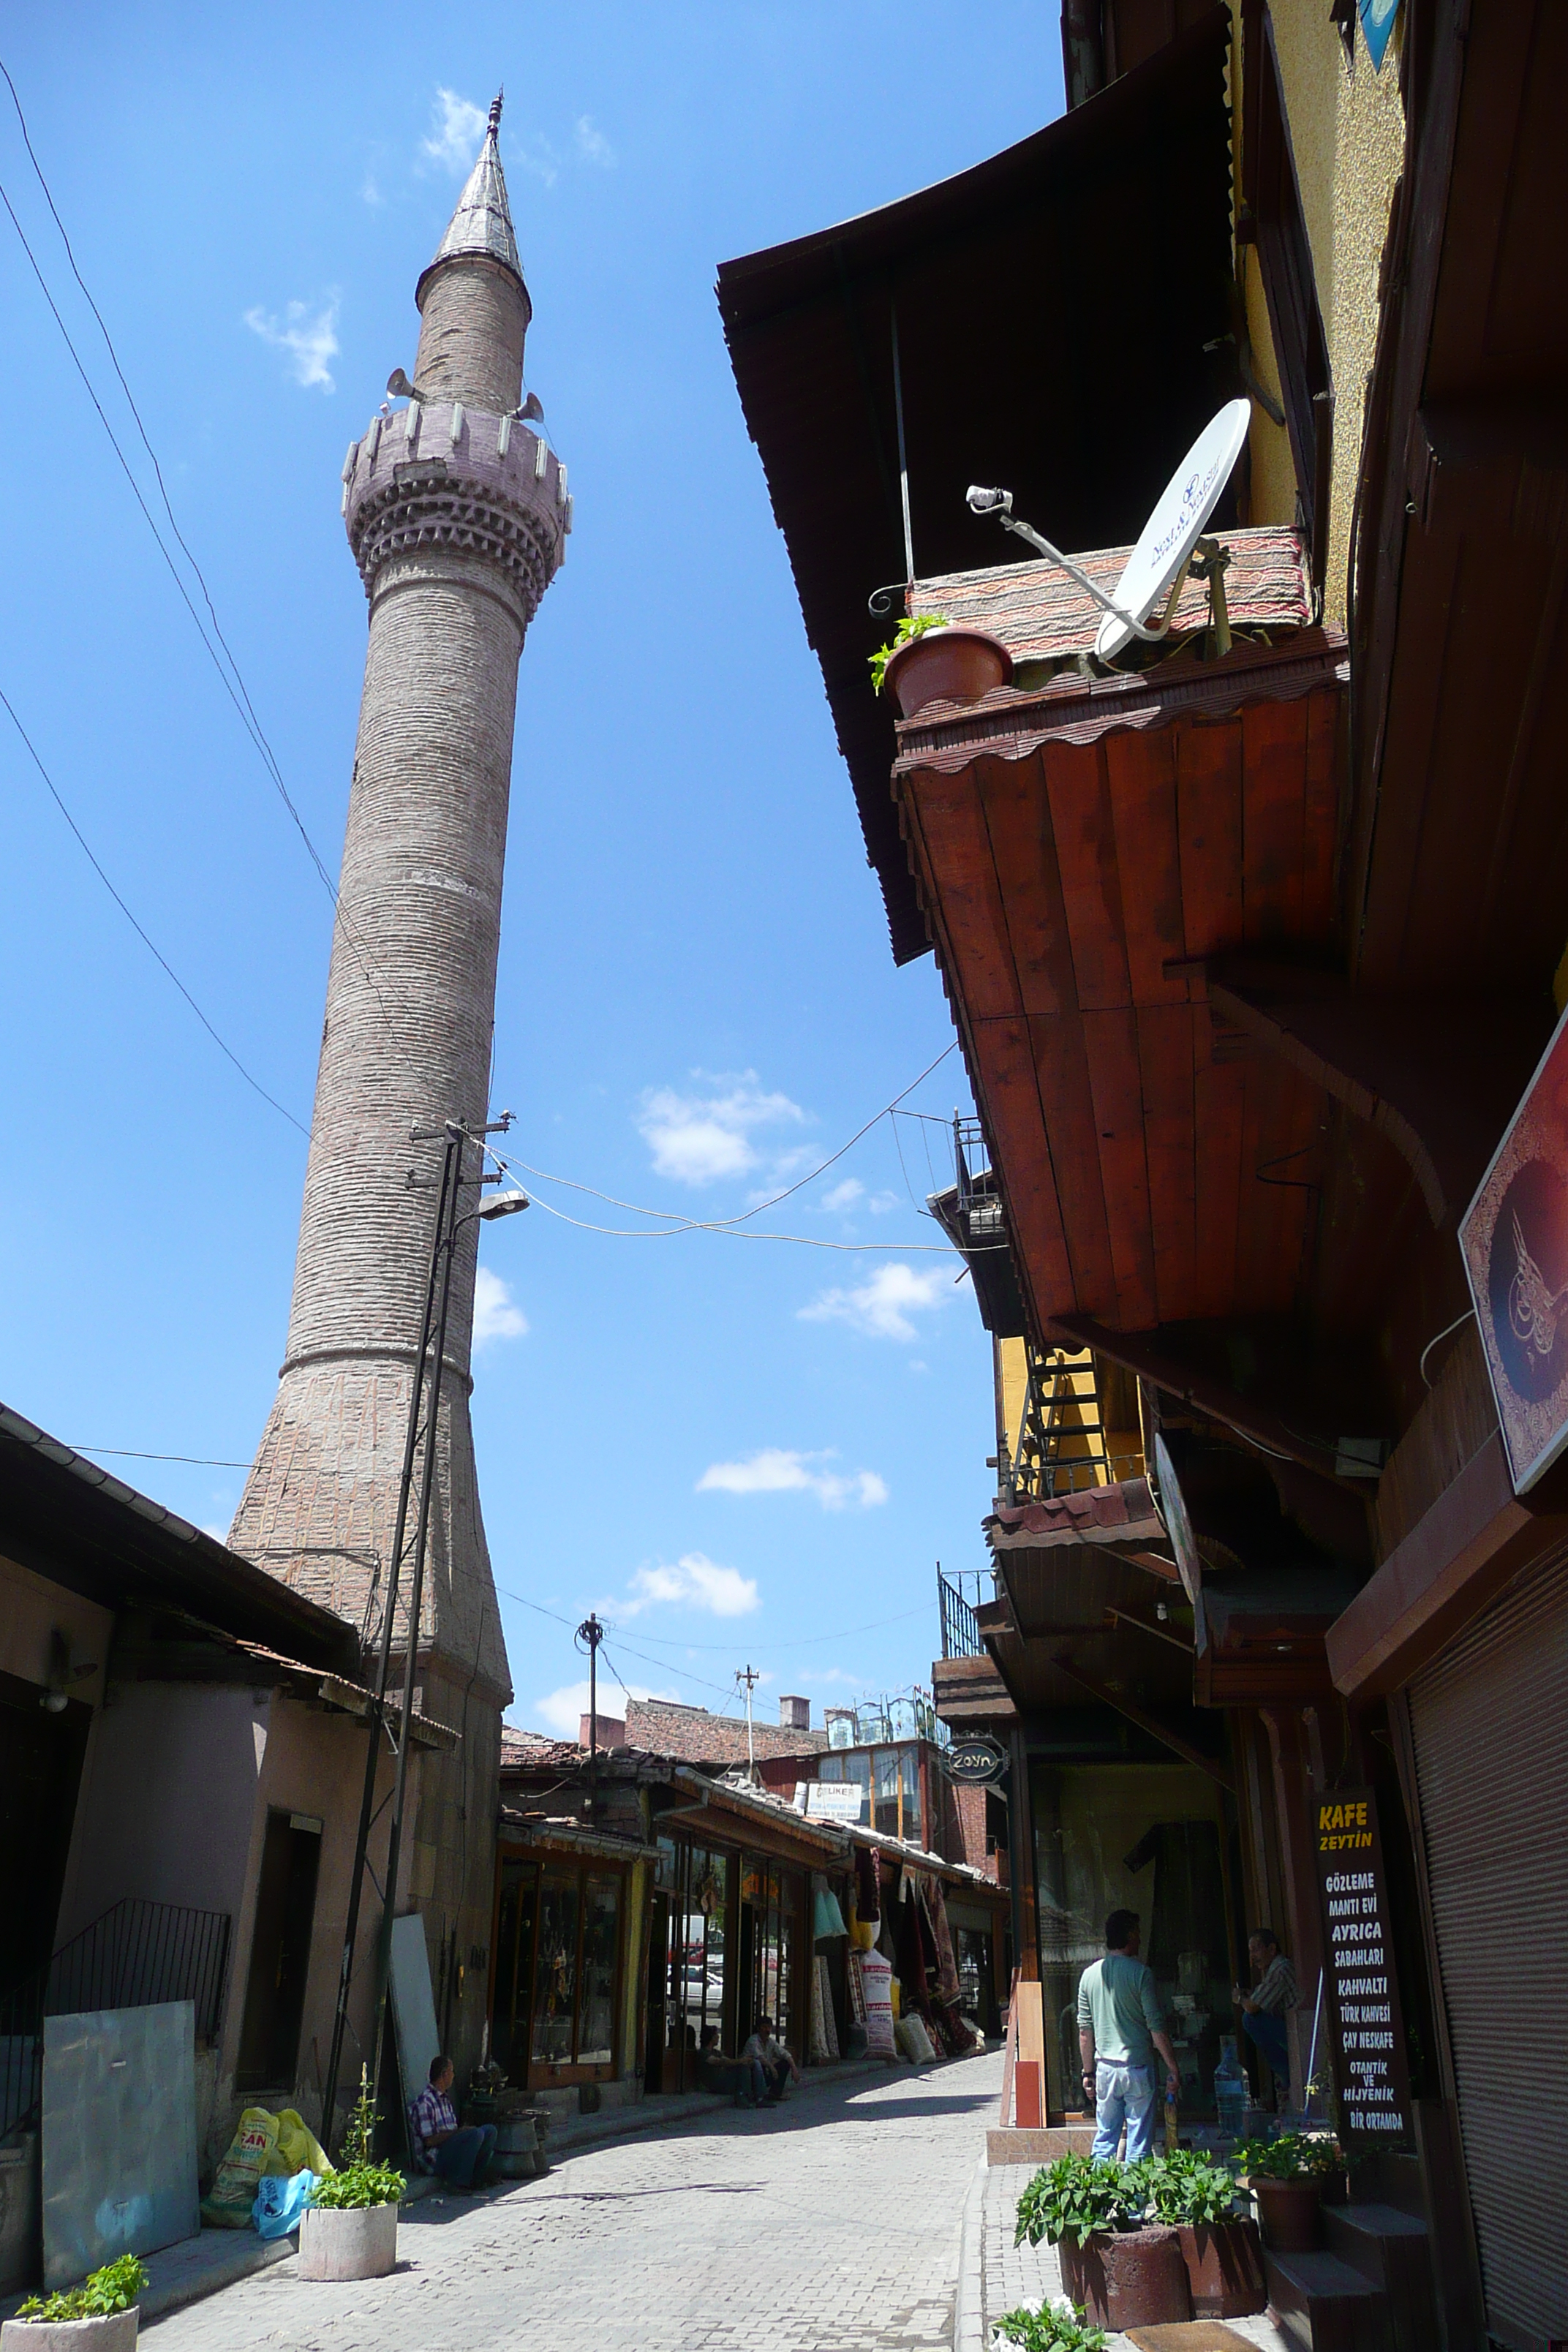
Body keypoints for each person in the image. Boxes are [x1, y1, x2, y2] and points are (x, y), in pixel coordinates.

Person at [1077, 1908, 1180, 2165]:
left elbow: (1084, 2032)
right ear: (1131, 1935)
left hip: (1105, 2070)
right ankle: (1133, 2205)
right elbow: (1156, 2028)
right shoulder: (1141, 1974)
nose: (1141, 1940)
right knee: (1138, 2145)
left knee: (1105, 2140)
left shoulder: (1089, 1976)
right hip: (1137, 2069)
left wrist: (1087, 2073)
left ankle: (1098, 2202)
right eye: (1139, 1933)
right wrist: (1173, 2068)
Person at [411, 2053, 497, 2191]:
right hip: (435, 2157)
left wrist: (461, 2132)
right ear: (444, 2075)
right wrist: (458, 2133)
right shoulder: (425, 2102)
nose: (453, 2075)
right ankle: (458, 2182)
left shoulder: (445, 2099)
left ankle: (477, 2179)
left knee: (489, 2131)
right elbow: (429, 2140)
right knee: (475, 2134)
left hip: (450, 2146)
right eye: (451, 2071)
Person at [1235, 1927, 1297, 2101]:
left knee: (1250, 2020)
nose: (1253, 1957)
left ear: (1271, 1949)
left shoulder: (1280, 1969)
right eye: (1250, 1952)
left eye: (1256, 1949)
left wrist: (1240, 1998)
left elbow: (1253, 2007)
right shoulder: (1274, 1971)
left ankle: (1286, 2073)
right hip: (1289, 2031)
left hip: (1297, 2036)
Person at [697, 2024, 768, 2107]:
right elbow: (721, 2062)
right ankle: (742, 2097)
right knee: (743, 2067)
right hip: (716, 2084)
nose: (718, 2037)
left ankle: (760, 2097)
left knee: (752, 2064)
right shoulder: (703, 2053)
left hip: (723, 2080)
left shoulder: (716, 2052)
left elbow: (729, 2060)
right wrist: (741, 2061)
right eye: (716, 2034)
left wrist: (745, 2060)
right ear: (711, 2037)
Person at [741, 2016, 801, 2103]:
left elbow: (785, 2054)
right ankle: (759, 2096)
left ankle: (775, 2093)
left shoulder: (770, 2042)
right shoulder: (753, 2041)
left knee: (785, 2063)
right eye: (764, 2027)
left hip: (766, 2072)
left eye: (769, 2027)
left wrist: (794, 2069)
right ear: (759, 2028)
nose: (767, 2030)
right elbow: (760, 2057)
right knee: (758, 2064)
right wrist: (772, 2068)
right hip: (753, 2075)